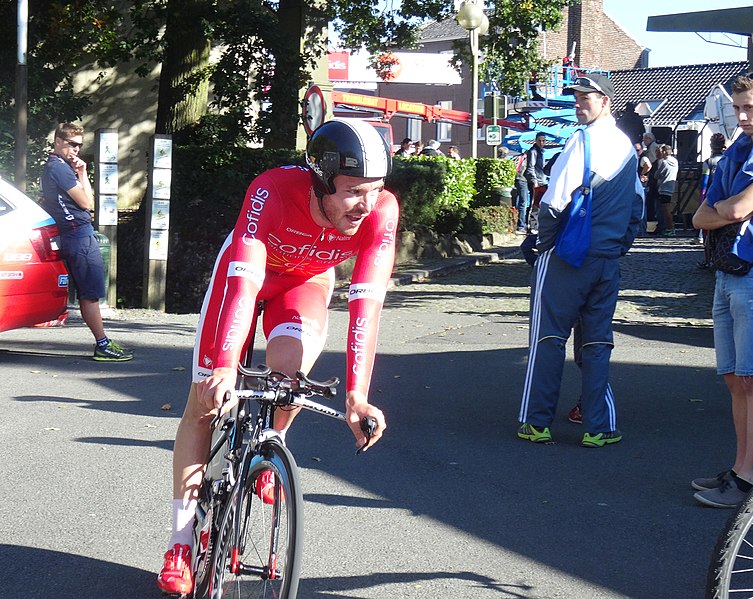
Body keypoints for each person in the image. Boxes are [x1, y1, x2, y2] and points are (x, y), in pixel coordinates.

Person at [157, 119, 397, 595]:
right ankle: (180, 542)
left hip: (304, 284)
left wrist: (357, 395)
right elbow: (244, 282)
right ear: (321, 179)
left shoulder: (380, 212)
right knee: (206, 401)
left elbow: (366, 303)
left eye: (375, 189)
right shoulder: (271, 190)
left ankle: (267, 446)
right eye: (352, 191)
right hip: (247, 275)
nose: (365, 204)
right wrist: (225, 367)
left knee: (290, 377)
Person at [517, 74, 644, 447]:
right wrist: (620, 246)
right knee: (597, 342)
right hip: (607, 259)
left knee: (548, 337)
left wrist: (544, 245)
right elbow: (636, 207)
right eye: (576, 97)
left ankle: (537, 422)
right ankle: (598, 427)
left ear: (605, 100)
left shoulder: (580, 141)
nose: (578, 103)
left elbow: (554, 203)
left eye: (585, 97)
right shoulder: (626, 147)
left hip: (568, 258)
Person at [691, 74, 753, 508]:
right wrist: (722, 212)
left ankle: (748, 480)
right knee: (734, 379)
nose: (742, 115)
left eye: (749, 106)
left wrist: (722, 212)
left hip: (750, 275)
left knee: (750, 380)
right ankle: (739, 468)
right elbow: (698, 216)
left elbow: (730, 208)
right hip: (727, 272)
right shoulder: (738, 149)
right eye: (738, 107)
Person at [40, 123, 133, 362]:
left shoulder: (64, 167)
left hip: (79, 233)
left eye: (79, 146)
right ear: (58, 141)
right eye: (72, 144)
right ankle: (102, 344)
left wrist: (82, 173)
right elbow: (86, 203)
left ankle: (103, 341)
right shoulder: (58, 168)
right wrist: (79, 176)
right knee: (90, 293)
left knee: (89, 292)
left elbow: (88, 199)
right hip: (78, 235)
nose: (76, 150)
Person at [696, 133, 727, 252]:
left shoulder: (708, 162)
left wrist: (702, 198)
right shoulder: (728, 160)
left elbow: (704, 182)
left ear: (711, 146)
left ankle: (708, 257)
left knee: (707, 228)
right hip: (725, 197)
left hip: (710, 196)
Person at [654, 144, 679, 237]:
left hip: (664, 187)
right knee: (668, 209)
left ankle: (670, 229)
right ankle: (670, 228)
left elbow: (657, 175)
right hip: (671, 186)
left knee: (666, 210)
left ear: (664, 152)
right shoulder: (675, 161)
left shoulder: (664, 162)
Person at [525, 132, 547, 207]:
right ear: (535, 141)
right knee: (534, 204)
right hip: (537, 182)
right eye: (539, 140)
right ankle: (531, 219)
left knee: (539, 204)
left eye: (543, 141)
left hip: (542, 181)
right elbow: (530, 167)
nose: (541, 143)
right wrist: (534, 181)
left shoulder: (541, 152)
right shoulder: (533, 151)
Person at [512, 151, 530, 234]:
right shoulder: (529, 157)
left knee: (515, 202)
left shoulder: (517, 157)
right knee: (523, 202)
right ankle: (521, 225)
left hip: (516, 179)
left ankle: (514, 224)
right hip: (523, 180)